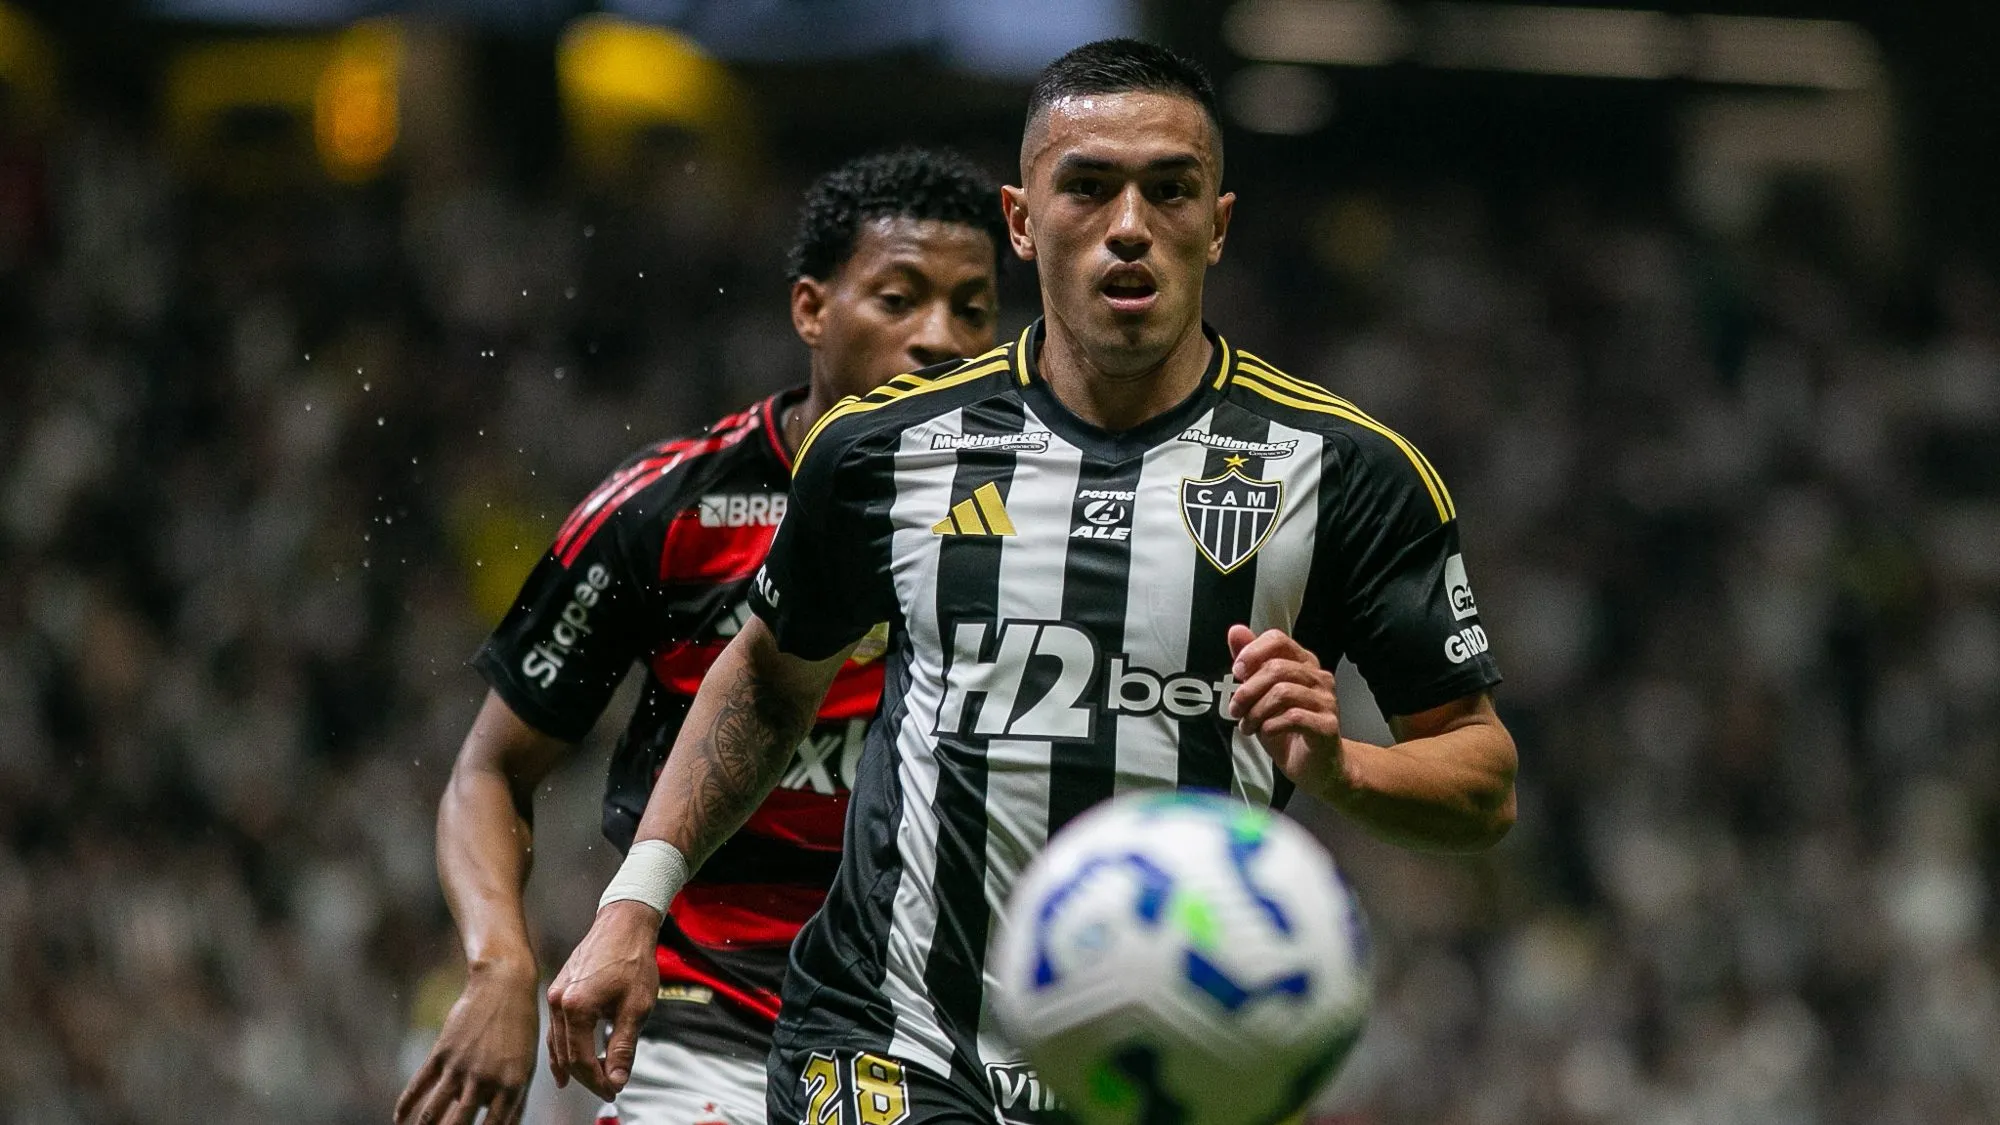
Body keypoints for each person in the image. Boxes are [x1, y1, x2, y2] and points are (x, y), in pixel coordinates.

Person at [546, 39, 1518, 1125]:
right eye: (1088, 187)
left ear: (1219, 223)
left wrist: (1344, 770)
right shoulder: (881, 449)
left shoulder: (1347, 473)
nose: (1129, 225)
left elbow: (1481, 780)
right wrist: (634, 904)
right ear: (1020, 220)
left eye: (1170, 189)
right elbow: (771, 678)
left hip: (1162, 1073)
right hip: (893, 1040)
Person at [394, 148, 1005, 1125]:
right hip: (697, 1017)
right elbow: (490, 773)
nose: (940, 338)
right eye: (899, 299)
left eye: (972, 309)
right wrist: (500, 961)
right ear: (810, 310)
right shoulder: (667, 511)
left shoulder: (1040, 526)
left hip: (942, 1034)